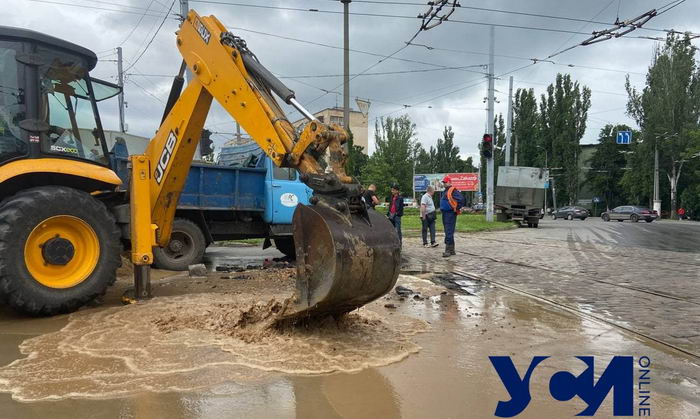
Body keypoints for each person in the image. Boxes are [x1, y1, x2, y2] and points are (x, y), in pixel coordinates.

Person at [440, 175, 465, 257]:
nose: (444, 184)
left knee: (448, 231)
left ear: (449, 182)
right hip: (445, 213)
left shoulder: (452, 190)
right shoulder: (445, 191)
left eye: (445, 182)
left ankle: (447, 250)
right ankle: (452, 250)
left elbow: (461, 199)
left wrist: (456, 208)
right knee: (448, 231)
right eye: (443, 182)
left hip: (450, 214)